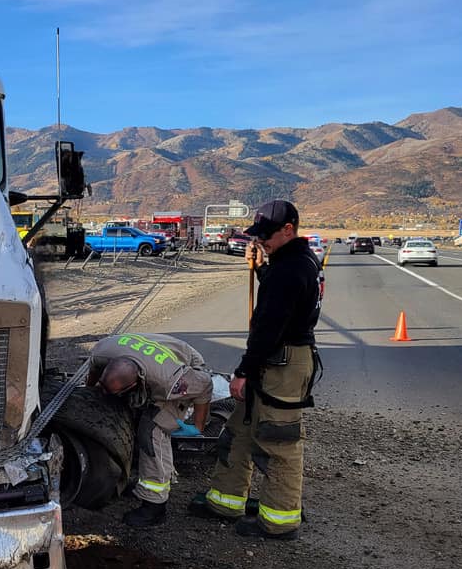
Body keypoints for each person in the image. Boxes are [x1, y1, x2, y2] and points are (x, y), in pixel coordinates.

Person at [193, 199, 322, 539]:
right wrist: (261, 268)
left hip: (281, 363)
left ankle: (279, 522)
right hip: (275, 359)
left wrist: (243, 371)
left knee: (278, 442)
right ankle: (225, 501)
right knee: (240, 429)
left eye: (266, 235)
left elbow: (269, 326)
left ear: (288, 229)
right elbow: (285, 296)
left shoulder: (291, 268)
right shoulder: (293, 261)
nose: (260, 240)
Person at [88, 332, 215, 527]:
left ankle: (155, 506)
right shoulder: (101, 351)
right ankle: (140, 481)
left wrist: (198, 426)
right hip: (156, 357)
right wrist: (91, 393)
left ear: (136, 382)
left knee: (152, 432)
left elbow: (204, 384)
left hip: (186, 365)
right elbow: (95, 372)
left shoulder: (170, 383)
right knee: (131, 416)